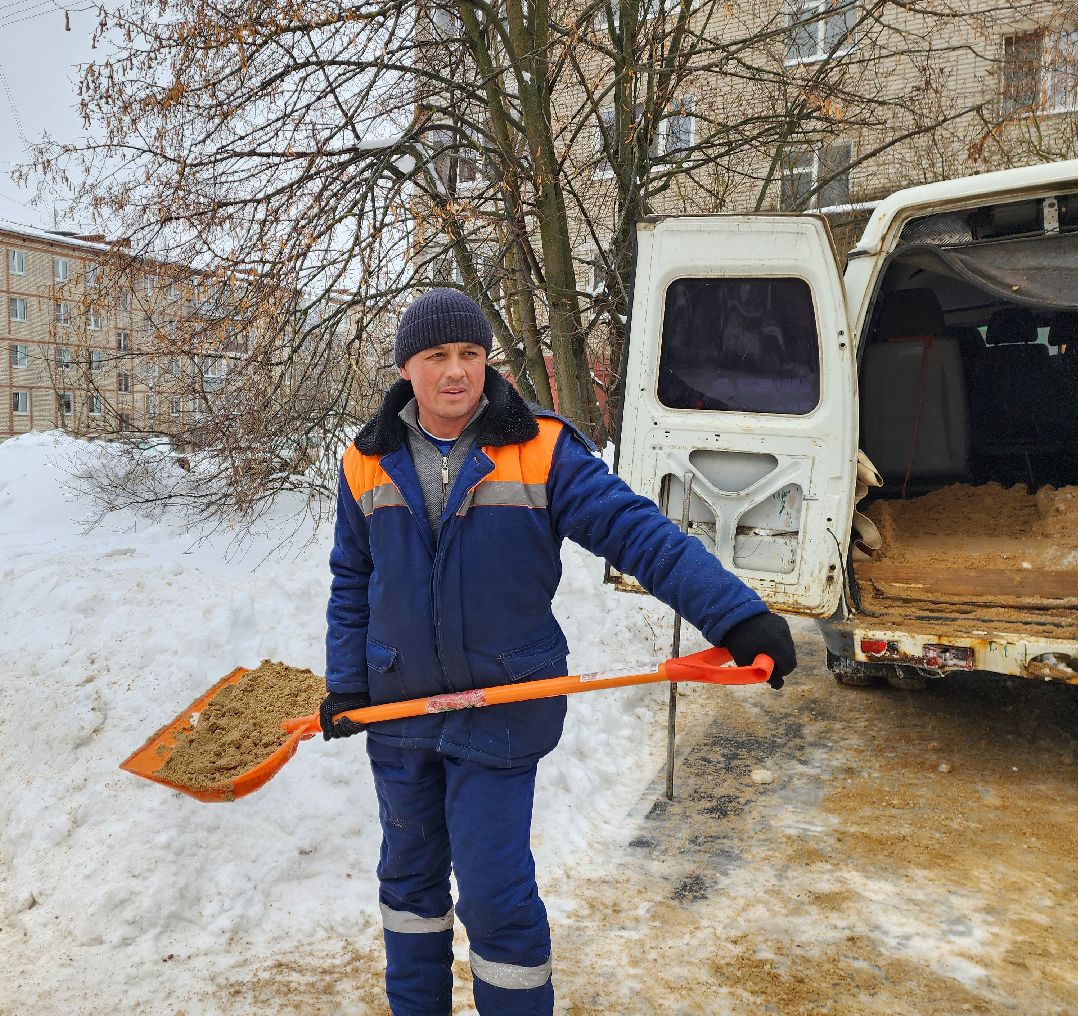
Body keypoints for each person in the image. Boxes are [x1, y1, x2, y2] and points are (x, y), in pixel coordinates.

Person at [322, 288, 797, 1016]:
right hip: (401, 707)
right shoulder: (366, 461)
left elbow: (638, 533)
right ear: (405, 368)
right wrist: (349, 684)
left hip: (504, 708)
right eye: (437, 356)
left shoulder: (540, 448)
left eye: (471, 354)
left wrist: (736, 615)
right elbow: (353, 579)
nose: (457, 371)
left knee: (494, 893)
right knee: (408, 886)